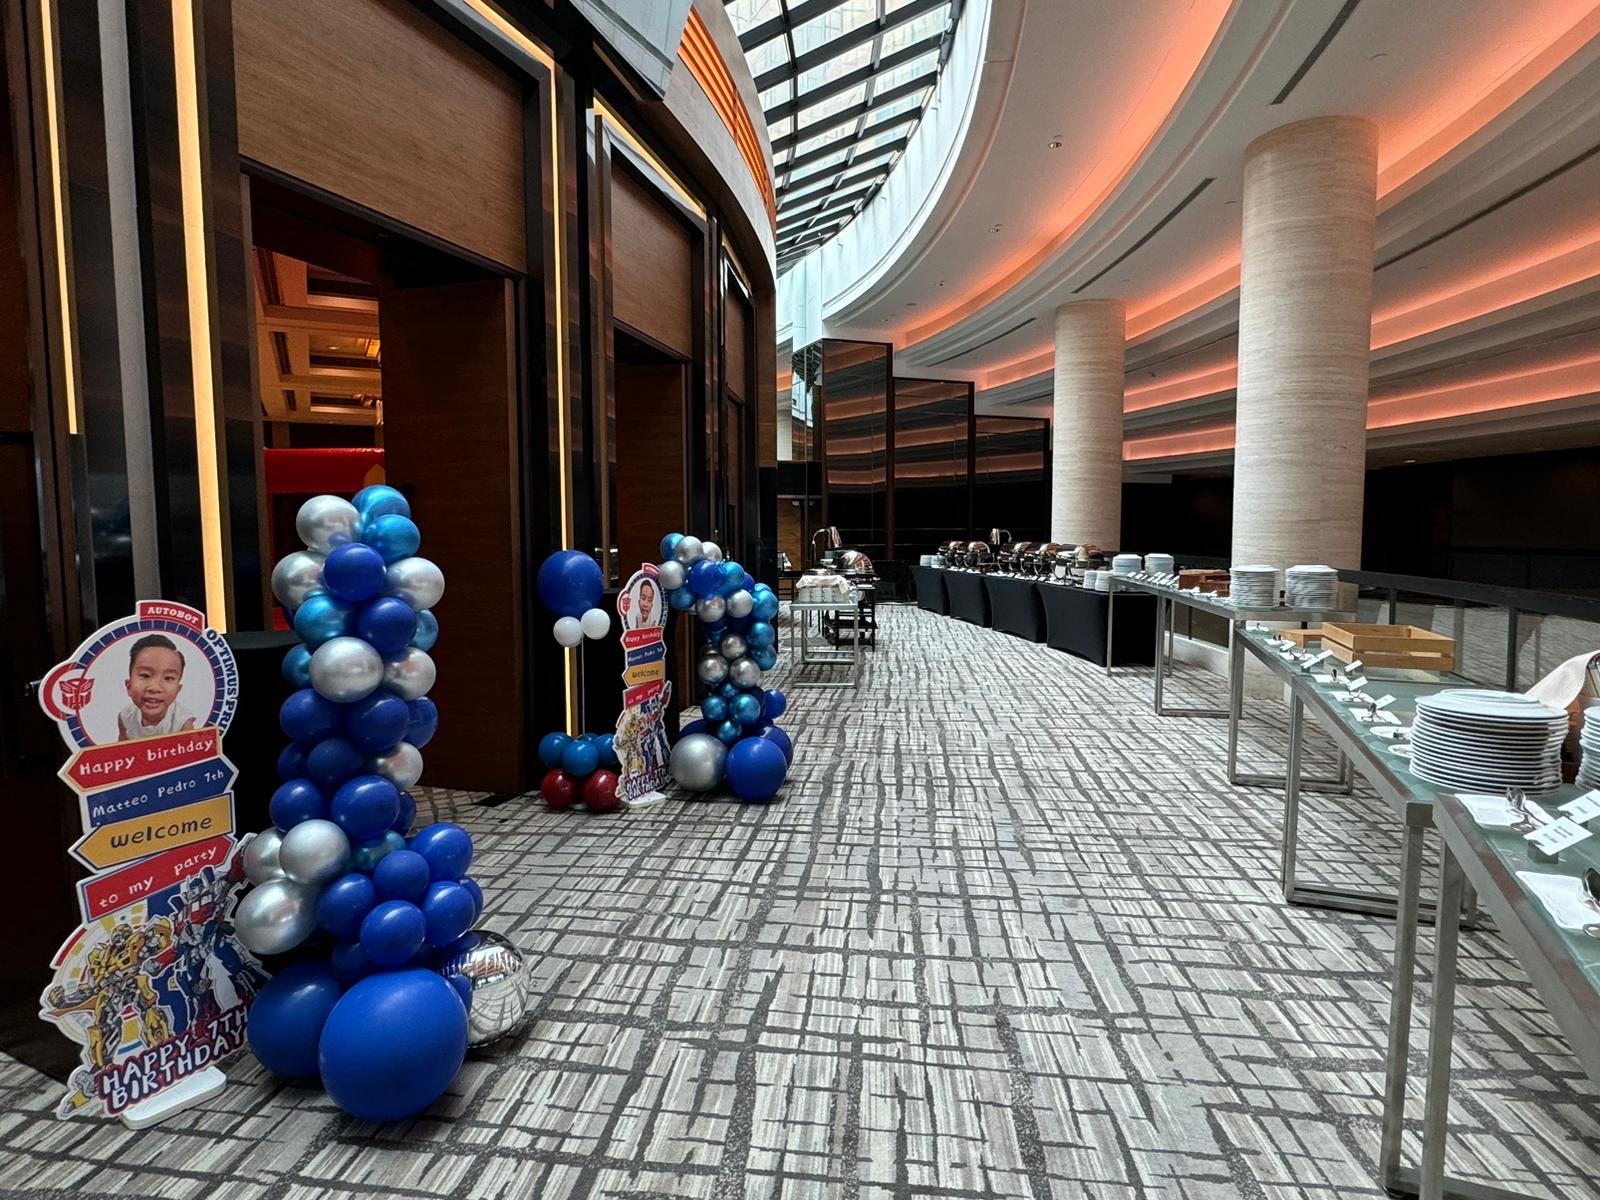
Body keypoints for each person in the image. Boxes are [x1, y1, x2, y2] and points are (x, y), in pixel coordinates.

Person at [117, 634, 197, 741]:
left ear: (178, 690)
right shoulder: (126, 716)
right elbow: (121, 746)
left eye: (168, 678)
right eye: (145, 675)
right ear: (129, 686)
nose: (155, 688)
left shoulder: (183, 723)